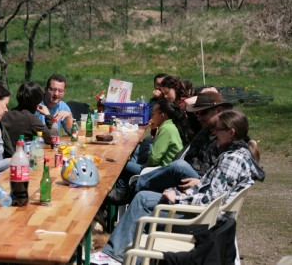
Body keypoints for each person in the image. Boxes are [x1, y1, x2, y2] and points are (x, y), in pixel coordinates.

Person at [92, 110, 261, 264]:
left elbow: (210, 199)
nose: (214, 133)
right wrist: (183, 190)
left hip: (203, 217)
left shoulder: (232, 159)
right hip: (207, 212)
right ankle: (120, 254)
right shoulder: (238, 153)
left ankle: (115, 256)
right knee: (144, 197)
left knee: (143, 200)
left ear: (231, 132)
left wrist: (178, 198)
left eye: (218, 130)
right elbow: (213, 190)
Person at [106, 99, 190, 205]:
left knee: (121, 163)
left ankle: (121, 194)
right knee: (131, 158)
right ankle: (122, 192)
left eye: (154, 113)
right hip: (165, 168)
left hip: (160, 170)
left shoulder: (166, 129)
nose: (151, 116)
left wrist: (145, 165)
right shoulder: (170, 126)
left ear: (162, 115)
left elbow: (154, 159)